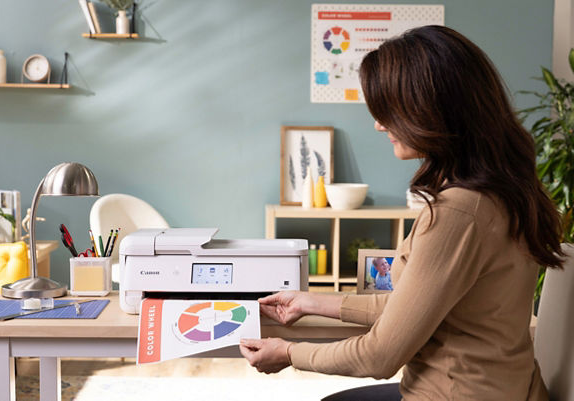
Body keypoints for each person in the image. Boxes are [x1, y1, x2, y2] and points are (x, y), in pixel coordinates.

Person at [239, 25, 564, 401]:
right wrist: (313, 302)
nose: (379, 125)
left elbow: (379, 355)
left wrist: (290, 352)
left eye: (388, 112)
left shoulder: (458, 211)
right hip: (505, 387)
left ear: (431, 109)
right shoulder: (504, 191)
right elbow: (416, 307)